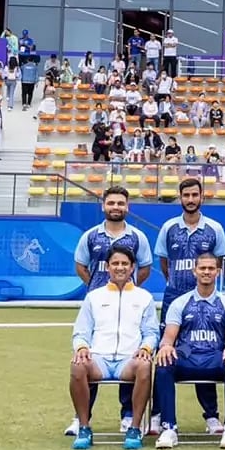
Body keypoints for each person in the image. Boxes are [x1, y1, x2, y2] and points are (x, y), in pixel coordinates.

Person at [67, 186, 153, 436]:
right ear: (103, 206)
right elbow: (81, 266)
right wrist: (95, 286)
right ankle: (81, 418)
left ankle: (128, 416)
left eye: (120, 203)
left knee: (130, 345)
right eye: (111, 203)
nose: (116, 207)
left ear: (127, 207)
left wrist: (130, 289)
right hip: (100, 302)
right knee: (89, 354)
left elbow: (145, 268)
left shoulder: (137, 237)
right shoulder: (91, 236)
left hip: (129, 301)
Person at [150, 178, 225, 436]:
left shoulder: (214, 229)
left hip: (206, 300)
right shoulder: (169, 228)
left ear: (201, 197)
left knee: (205, 350)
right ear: (180, 197)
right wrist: (178, 286)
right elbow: (165, 264)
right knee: (166, 352)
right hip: (174, 297)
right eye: (186, 195)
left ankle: (212, 416)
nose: (191, 199)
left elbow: (217, 263)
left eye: (195, 195)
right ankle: (157, 415)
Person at [68, 247, 158, 450]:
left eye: (125, 264)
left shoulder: (144, 297)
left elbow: (151, 332)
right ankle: (84, 427)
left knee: (145, 365)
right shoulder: (94, 297)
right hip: (99, 359)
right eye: (115, 264)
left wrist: (146, 348)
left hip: (128, 360)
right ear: (107, 267)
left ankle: (134, 428)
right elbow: (81, 331)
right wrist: (81, 347)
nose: (120, 268)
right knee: (77, 365)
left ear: (132, 267)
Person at [153, 252, 225, 450]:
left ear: (218, 272)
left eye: (211, 268)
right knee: (164, 363)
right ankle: (168, 427)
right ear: (194, 271)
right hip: (187, 353)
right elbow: (168, 337)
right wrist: (166, 346)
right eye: (202, 268)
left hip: (214, 354)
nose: (206, 272)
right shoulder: (180, 303)